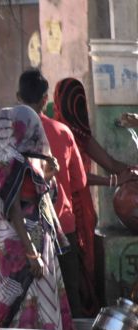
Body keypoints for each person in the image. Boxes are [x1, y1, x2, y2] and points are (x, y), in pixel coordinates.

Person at [0, 70, 88, 316]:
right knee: (67, 302)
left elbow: (8, 186)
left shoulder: (15, 133)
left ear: (18, 97)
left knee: (28, 305)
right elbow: (80, 183)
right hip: (62, 227)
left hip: (28, 234)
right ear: (45, 99)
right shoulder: (63, 133)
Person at [0, 105, 81, 330]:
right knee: (24, 302)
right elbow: (14, 209)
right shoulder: (8, 159)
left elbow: (40, 196)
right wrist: (31, 254)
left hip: (40, 242)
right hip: (21, 246)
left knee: (44, 302)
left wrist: (49, 175)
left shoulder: (29, 158)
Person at [52, 78, 137, 315]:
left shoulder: (81, 134)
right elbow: (75, 177)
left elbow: (111, 164)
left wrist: (131, 172)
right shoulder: (57, 133)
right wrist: (112, 182)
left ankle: (85, 320)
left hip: (84, 211)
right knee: (72, 268)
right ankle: (76, 322)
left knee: (86, 264)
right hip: (64, 210)